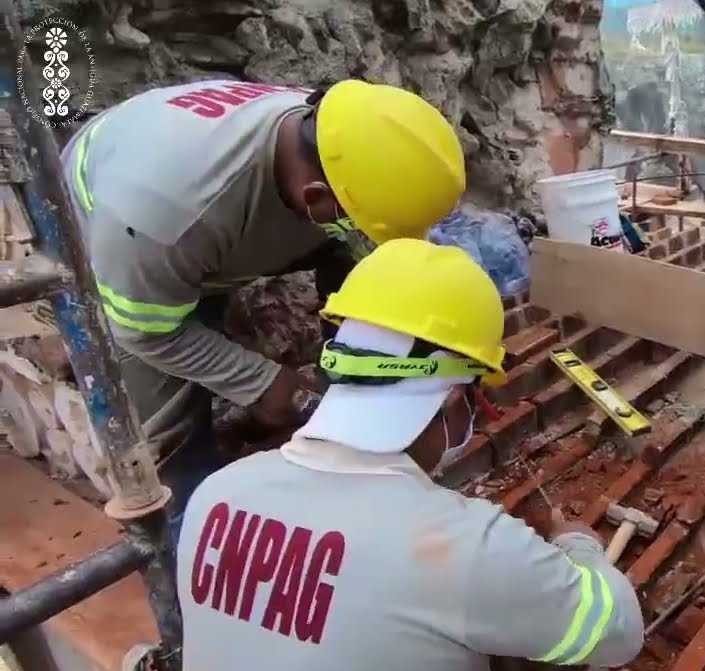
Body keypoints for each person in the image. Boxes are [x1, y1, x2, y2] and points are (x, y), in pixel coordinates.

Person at [176, 239, 645, 671]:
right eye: (476, 398)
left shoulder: (216, 493)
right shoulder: (463, 546)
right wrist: (579, 546)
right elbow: (620, 631)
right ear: (451, 400)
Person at [59, 78, 466, 537]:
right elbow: (143, 332)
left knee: (342, 253)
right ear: (315, 198)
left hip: (197, 212)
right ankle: (193, 555)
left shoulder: (338, 133)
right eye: (358, 219)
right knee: (173, 440)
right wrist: (261, 383)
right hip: (126, 247)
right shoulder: (164, 221)